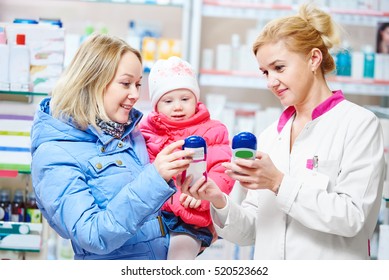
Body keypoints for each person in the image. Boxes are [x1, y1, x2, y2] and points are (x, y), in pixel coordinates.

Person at [182, 3, 386, 260]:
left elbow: (354, 218)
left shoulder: (358, 124)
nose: (270, 82)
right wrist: (218, 200)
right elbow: (250, 232)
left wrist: (278, 183)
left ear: (313, 58)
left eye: (279, 68)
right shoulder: (269, 137)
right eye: (265, 72)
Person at [30, 34, 195, 260]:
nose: (135, 95)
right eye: (126, 84)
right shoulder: (54, 154)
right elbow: (92, 235)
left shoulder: (130, 135)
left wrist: (195, 230)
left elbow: (150, 215)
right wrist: (155, 178)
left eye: (138, 84)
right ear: (92, 81)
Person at [139, 56, 235, 259]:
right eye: (168, 101)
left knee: (180, 254)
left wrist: (202, 198)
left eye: (185, 99)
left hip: (192, 218)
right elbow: (144, 174)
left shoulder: (213, 130)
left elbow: (222, 172)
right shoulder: (147, 133)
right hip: (155, 215)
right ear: (156, 105)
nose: (177, 107)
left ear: (196, 99)